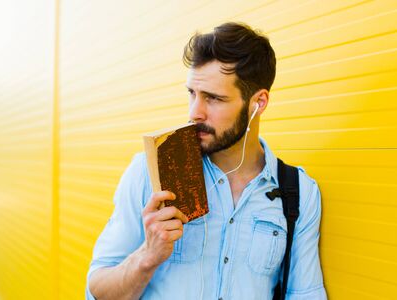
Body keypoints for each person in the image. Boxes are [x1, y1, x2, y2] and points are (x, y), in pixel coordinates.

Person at [86, 22, 327, 300]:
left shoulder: (298, 192)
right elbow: (97, 292)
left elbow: (305, 294)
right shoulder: (150, 173)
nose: (194, 113)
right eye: (192, 94)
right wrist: (147, 256)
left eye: (213, 98)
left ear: (258, 103)